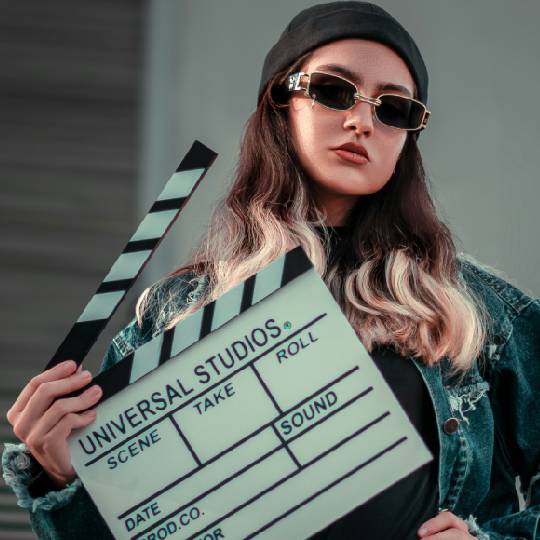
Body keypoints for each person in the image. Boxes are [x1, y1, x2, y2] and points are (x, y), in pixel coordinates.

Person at [3, 2, 539, 539]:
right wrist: (62, 475)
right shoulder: (179, 309)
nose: (361, 121)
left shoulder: (479, 311)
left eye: (393, 109)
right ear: (281, 103)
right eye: (334, 91)